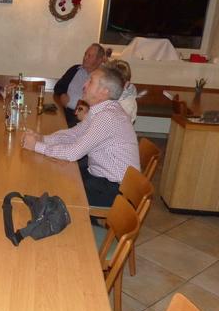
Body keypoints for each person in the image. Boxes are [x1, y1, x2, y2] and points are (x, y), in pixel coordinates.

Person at [22, 66, 140, 207]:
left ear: (104, 91)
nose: (84, 85)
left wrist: (36, 146)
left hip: (116, 190)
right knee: (54, 175)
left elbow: (73, 153)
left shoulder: (107, 116)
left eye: (90, 81)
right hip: (100, 177)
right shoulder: (100, 111)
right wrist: (42, 139)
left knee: (57, 192)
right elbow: (74, 134)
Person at [54, 43, 106, 128]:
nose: (85, 58)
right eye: (85, 54)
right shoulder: (74, 69)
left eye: (90, 56)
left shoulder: (102, 77)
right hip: (64, 112)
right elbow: (58, 86)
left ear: (99, 60)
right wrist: (62, 94)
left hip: (84, 119)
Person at [75, 59, 138, 124]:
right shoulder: (110, 94)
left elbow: (108, 127)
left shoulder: (127, 106)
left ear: (126, 84)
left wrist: (85, 117)